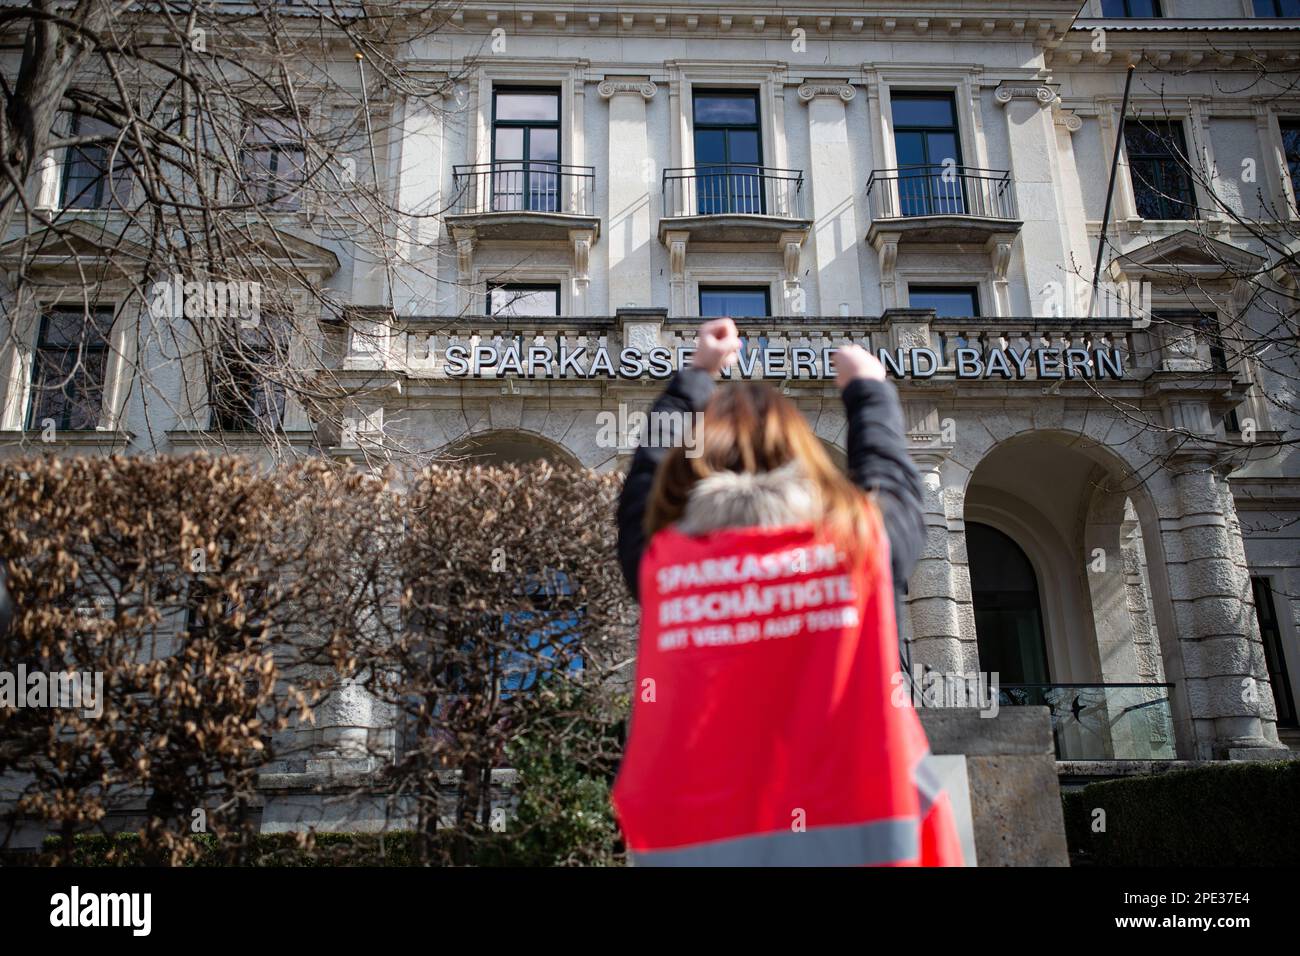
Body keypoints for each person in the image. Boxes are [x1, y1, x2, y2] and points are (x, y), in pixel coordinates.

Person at [612, 317, 963, 866]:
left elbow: (641, 490)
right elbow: (894, 482)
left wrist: (697, 376)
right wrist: (869, 390)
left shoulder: (662, 567)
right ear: (803, 457)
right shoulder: (860, 550)